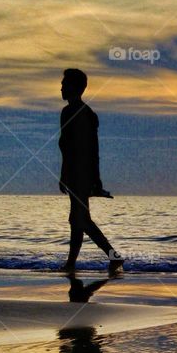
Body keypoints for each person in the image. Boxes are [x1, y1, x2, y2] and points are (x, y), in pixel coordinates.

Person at [58, 68, 123, 272]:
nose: (61, 87)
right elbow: (68, 149)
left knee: (81, 220)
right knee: (77, 220)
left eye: (64, 84)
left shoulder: (79, 113)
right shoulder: (73, 112)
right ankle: (71, 264)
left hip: (80, 174)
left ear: (75, 87)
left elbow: (90, 149)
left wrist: (95, 179)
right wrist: (64, 175)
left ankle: (114, 256)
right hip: (76, 174)